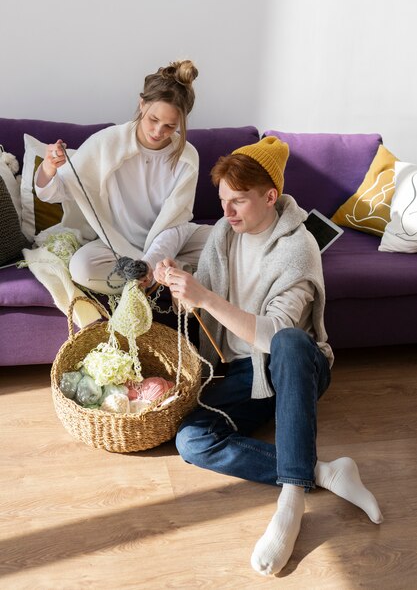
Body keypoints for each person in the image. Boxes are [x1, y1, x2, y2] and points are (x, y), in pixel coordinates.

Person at [154, 136, 383, 577]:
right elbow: (202, 303)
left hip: (295, 367)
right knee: (191, 440)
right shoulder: (224, 233)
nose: (227, 212)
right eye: (223, 201)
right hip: (243, 371)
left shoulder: (298, 249)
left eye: (238, 201)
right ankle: (324, 472)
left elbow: (277, 333)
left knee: (292, 341)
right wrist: (182, 284)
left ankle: (292, 499)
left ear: (270, 196)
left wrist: (204, 297)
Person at [35, 59, 211, 294]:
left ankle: (157, 273)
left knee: (231, 242)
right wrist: (49, 168)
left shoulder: (187, 157)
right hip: (117, 246)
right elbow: (57, 191)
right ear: (142, 105)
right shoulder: (107, 143)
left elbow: (175, 226)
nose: (158, 132)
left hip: (171, 241)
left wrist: (149, 263)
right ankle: (174, 273)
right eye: (153, 120)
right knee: (82, 268)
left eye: (170, 126)